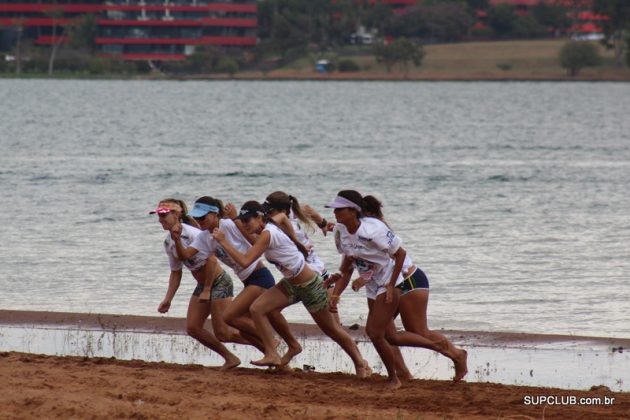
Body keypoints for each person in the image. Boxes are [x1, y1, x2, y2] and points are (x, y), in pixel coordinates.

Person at [326, 190, 467, 389]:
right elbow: (353, 262)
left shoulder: (374, 230)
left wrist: (388, 284)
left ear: (355, 210)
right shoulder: (343, 232)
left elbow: (397, 255)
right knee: (387, 335)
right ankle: (401, 375)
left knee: (412, 332)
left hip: (408, 280)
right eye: (335, 209)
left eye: (339, 209)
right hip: (379, 284)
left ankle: (453, 353)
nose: (335, 213)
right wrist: (338, 289)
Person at [212, 201, 368, 377]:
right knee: (257, 309)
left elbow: (245, 261)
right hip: (291, 284)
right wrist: (294, 240)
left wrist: (223, 241)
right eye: (243, 220)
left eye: (248, 220)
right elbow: (283, 217)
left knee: (332, 329)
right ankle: (282, 350)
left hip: (309, 286)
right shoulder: (269, 227)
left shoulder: (267, 233)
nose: (245, 224)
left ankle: (360, 363)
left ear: (259, 217)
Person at [172, 196, 302, 364]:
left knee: (230, 317)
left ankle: (271, 340)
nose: (199, 221)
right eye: (196, 218)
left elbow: (255, 241)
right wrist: (176, 240)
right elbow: (185, 256)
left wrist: (234, 221)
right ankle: (277, 360)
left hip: (260, 277)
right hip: (248, 281)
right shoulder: (204, 237)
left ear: (215, 214)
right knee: (242, 331)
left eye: (203, 217)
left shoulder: (228, 225)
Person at [151, 198, 243, 370]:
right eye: (158, 216)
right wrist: (168, 299)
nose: (160, 220)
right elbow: (176, 272)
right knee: (193, 328)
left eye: (164, 215)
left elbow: (212, 260)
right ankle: (231, 358)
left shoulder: (193, 233)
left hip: (218, 281)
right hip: (203, 285)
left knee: (224, 332)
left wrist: (207, 289)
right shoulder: (169, 242)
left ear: (176, 214)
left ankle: (266, 344)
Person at [263, 191, 341, 325]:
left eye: (269, 212)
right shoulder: (289, 216)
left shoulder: (278, 226)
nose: (266, 215)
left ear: (281, 211)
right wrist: (323, 223)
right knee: (334, 328)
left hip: (317, 276)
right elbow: (307, 209)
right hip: (310, 273)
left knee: (334, 327)